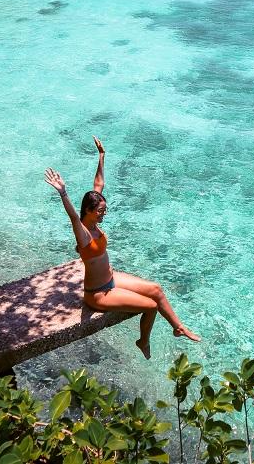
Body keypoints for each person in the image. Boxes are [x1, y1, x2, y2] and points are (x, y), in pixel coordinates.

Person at [44, 136, 200, 359]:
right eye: (100, 211)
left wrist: (101, 156)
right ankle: (143, 341)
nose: (104, 214)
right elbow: (73, 216)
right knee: (150, 306)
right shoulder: (84, 233)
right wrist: (63, 192)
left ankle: (178, 327)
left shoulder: (94, 222)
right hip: (98, 294)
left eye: (104, 210)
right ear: (88, 211)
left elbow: (98, 185)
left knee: (156, 289)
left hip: (112, 279)